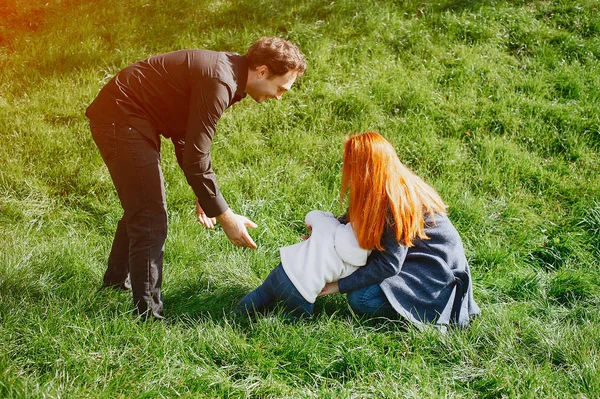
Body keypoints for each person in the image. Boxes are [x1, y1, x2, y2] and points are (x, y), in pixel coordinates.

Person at [86, 37, 306, 319]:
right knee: (150, 215)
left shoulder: (232, 76)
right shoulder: (221, 81)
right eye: (280, 88)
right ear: (262, 71)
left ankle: (116, 282)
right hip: (121, 115)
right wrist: (226, 218)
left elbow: (188, 140)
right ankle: (147, 315)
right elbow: (195, 158)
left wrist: (204, 194)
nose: (279, 96)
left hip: (133, 115)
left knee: (143, 207)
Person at [318, 132, 481, 329]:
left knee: (361, 298)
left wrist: (338, 286)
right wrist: (322, 232)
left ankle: (425, 316)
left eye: (349, 164)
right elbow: (351, 221)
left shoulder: (395, 202)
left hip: (436, 273)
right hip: (413, 259)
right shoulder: (376, 188)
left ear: (365, 170)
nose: (344, 169)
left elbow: (389, 264)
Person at [236, 210, 371, 318]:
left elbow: (312, 215)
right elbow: (348, 278)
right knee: (300, 317)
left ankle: (237, 313)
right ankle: (271, 321)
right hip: (302, 290)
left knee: (261, 293)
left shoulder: (329, 224)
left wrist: (329, 217)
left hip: (284, 270)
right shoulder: (357, 263)